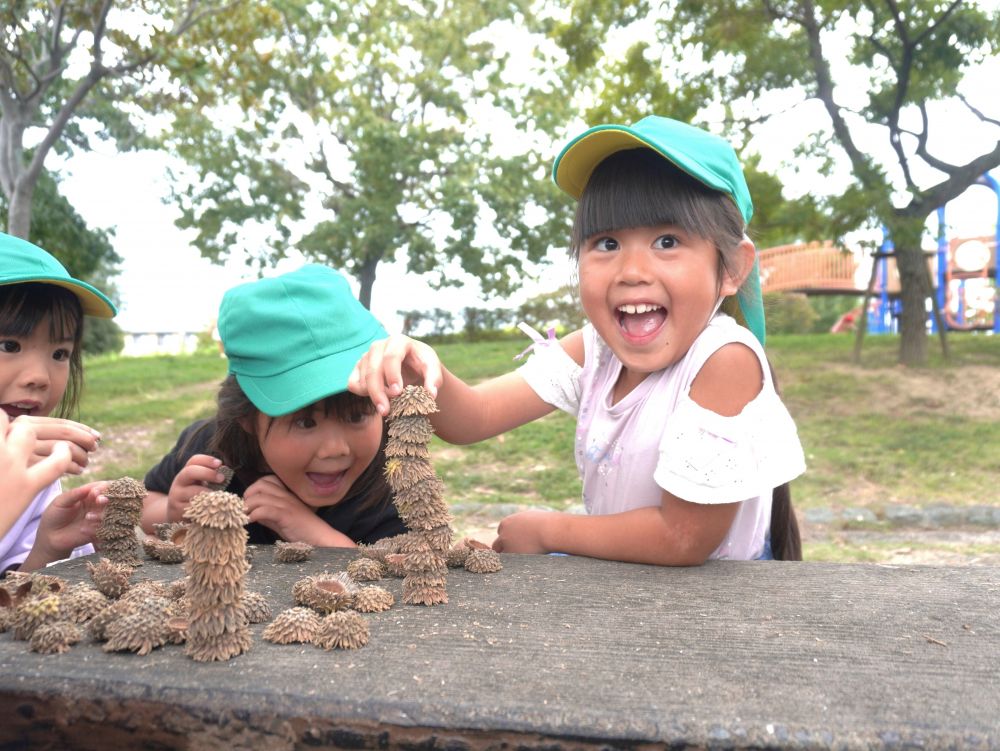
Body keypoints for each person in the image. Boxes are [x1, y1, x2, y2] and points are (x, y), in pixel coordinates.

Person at [351, 115, 807, 565]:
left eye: (667, 241)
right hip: (629, 585)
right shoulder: (597, 350)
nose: (631, 272)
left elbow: (683, 537)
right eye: (606, 243)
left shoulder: (725, 359)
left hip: (724, 611)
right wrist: (418, 364)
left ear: (731, 269)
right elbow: (473, 416)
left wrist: (548, 530)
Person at [140, 264, 408, 547]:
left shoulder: (391, 477)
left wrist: (309, 532)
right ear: (246, 417)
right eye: (305, 422)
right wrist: (172, 510)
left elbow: (398, 578)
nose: (335, 449)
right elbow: (146, 505)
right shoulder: (211, 450)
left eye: (356, 416)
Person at [1, 232, 116, 573]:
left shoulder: (35, 466)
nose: (40, 376)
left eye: (59, 353)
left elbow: (12, 604)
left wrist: (46, 549)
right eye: (8, 346)